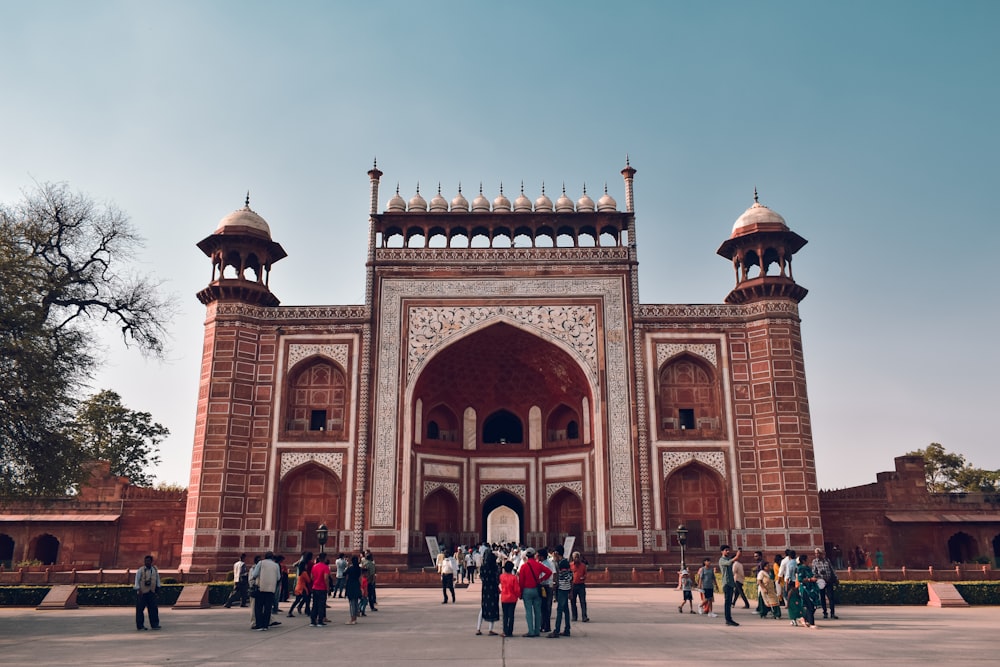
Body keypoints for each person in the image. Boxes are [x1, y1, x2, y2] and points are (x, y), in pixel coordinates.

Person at [517, 547, 552, 637]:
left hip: (527, 591)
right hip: (537, 590)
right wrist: (541, 580)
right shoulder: (538, 565)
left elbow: (521, 581)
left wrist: (520, 592)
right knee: (537, 611)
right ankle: (537, 631)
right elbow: (549, 572)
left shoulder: (524, 566)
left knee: (529, 612)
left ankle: (531, 631)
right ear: (534, 555)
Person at [252, 552, 281, 631]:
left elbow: (254, 574)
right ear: (272, 557)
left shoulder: (261, 563)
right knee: (268, 608)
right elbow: (278, 577)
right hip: (271, 589)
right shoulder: (276, 565)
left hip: (261, 588)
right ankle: (265, 625)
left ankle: (259, 625)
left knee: (258, 608)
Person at [476, 549, 501, 636]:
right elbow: (498, 579)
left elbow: (481, 577)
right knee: (493, 608)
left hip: (485, 589)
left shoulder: (483, 567)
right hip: (493, 589)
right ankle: (490, 629)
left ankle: (478, 628)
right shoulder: (496, 567)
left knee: (483, 607)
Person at [134, 555, 161, 631]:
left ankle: (155, 624)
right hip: (142, 592)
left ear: (151, 562)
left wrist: (158, 590)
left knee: (153, 609)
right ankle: (140, 625)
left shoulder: (154, 570)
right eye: (146, 561)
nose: (147, 562)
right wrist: (138, 589)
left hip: (151, 592)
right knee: (140, 610)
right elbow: (137, 580)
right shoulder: (140, 570)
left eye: (148, 561)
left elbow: (157, 580)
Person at [548, 558, 573, 637]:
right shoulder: (570, 573)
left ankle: (557, 630)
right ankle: (567, 629)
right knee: (566, 611)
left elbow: (558, 584)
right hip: (567, 591)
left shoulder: (561, 573)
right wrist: (570, 592)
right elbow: (571, 582)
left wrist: (553, 587)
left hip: (562, 592)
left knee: (559, 611)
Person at [795, 553, 821, 628]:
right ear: (803, 560)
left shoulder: (808, 568)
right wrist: (810, 579)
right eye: (807, 559)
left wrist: (815, 578)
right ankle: (811, 623)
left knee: (813, 605)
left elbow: (812, 575)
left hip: (812, 588)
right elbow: (800, 579)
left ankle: (804, 618)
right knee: (810, 606)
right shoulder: (800, 568)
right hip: (805, 589)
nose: (809, 561)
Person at [718, 544, 742, 627]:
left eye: (728, 550)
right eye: (726, 550)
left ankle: (729, 618)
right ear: (722, 551)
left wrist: (737, 556)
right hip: (726, 583)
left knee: (729, 602)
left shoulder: (728, 558)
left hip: (731, 583)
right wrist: (736, 557)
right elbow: (729, 562)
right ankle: (728, 619)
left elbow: (732, 561)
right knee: (727, 602)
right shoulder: (721, 560)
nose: (727, 551)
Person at [812, 548, 838, 619]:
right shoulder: (815, 562)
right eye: (816, 554)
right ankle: (825, 612)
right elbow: (814, 572)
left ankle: (832, 613)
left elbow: (832, 569)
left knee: (831, 597)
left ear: (821, 554)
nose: (817, 555)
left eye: (818, 553)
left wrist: (836, 578)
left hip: (829, 581)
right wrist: (820, 575)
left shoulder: (827, 560)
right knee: (822, 597)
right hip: (821, 582)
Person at [499, 560, 521, 638]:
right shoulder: (514, 578)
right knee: (511, 615)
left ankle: (505, 630)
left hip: (504, 598)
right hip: (512, 598)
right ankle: (510, 631)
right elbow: (516, 589)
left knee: (505, 615)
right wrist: (519, 595)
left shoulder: (501, 576)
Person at [309, 553, 330, 627]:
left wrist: (316, 581)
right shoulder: (325, 567)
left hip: (315, 587)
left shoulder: (314, 566)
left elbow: (312, 577)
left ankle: (312, 621)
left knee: (315, 604)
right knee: (321, 605)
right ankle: (320, 621)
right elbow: (326, 578)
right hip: (322, 588)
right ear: (324, 558)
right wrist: (327, 588)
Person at [289, 553, 312, 617]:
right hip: (303, 588)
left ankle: (290, 612)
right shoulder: (304, 573)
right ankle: (308, 612)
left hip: (298, 587)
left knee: (297, 600)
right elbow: (308, 580)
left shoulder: (300, 572)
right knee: (307, 600)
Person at [570, 551, 589, 623]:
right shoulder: (570, 565)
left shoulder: (583, 565)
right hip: (573, 585)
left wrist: (583, 577)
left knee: (583, 601)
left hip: (581, 585)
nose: (577, 559)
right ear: (573, 558)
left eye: (578, 557)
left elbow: (585, 574)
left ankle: (584, 616)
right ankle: (574, 616)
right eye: (575, 557)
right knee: (573, 601)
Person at [345, 554, 363, 624]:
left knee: (352, 602)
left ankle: (352, 618)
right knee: (355, 601)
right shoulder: (359, 569)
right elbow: (360, 577)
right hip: (356, 584)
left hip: (350, 585)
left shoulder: (350, 568)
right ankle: (355, 617)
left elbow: (344, 574)